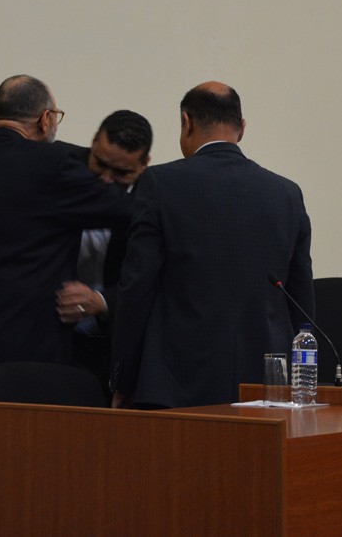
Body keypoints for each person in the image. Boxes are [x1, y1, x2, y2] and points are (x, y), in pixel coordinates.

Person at [0, 75, 132, 537]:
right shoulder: (54, 165)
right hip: (31, 367)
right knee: (33, 505)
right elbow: (125, 210)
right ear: (45, 119)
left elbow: (5, 185)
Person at [110, 81, 314, 409]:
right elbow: (301, 301)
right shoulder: (287, 194)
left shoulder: (160, 183)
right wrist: (302, 387)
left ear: (186, 122)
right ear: (241, 128)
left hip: (176, 385)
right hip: (267, 386)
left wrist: (122, 379)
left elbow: (137, 289)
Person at [0, 109, 152, 392]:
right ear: (93, 143)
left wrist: (102, 302)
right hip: (47, 344)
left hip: (107, 351)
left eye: (121, 173)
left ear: (144, 165)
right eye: (100, 163)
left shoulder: (154, 202)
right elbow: (3, 169)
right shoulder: (58, 164)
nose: (106, 178)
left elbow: (154, 280)